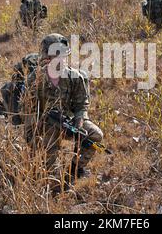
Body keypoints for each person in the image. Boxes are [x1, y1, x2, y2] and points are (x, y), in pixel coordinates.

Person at [20, 33, 104, 179]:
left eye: (64, 56)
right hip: (44, 125)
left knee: (95, 136)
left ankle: (75, 168)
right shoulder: (34, 79)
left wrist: (78, 124)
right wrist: (39, 127)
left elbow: (81, 105)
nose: (61, 60)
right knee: (51, 173)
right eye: (56, 57)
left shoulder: (76, 77)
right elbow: (26, 110)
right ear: (46, 58)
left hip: (69, 122)